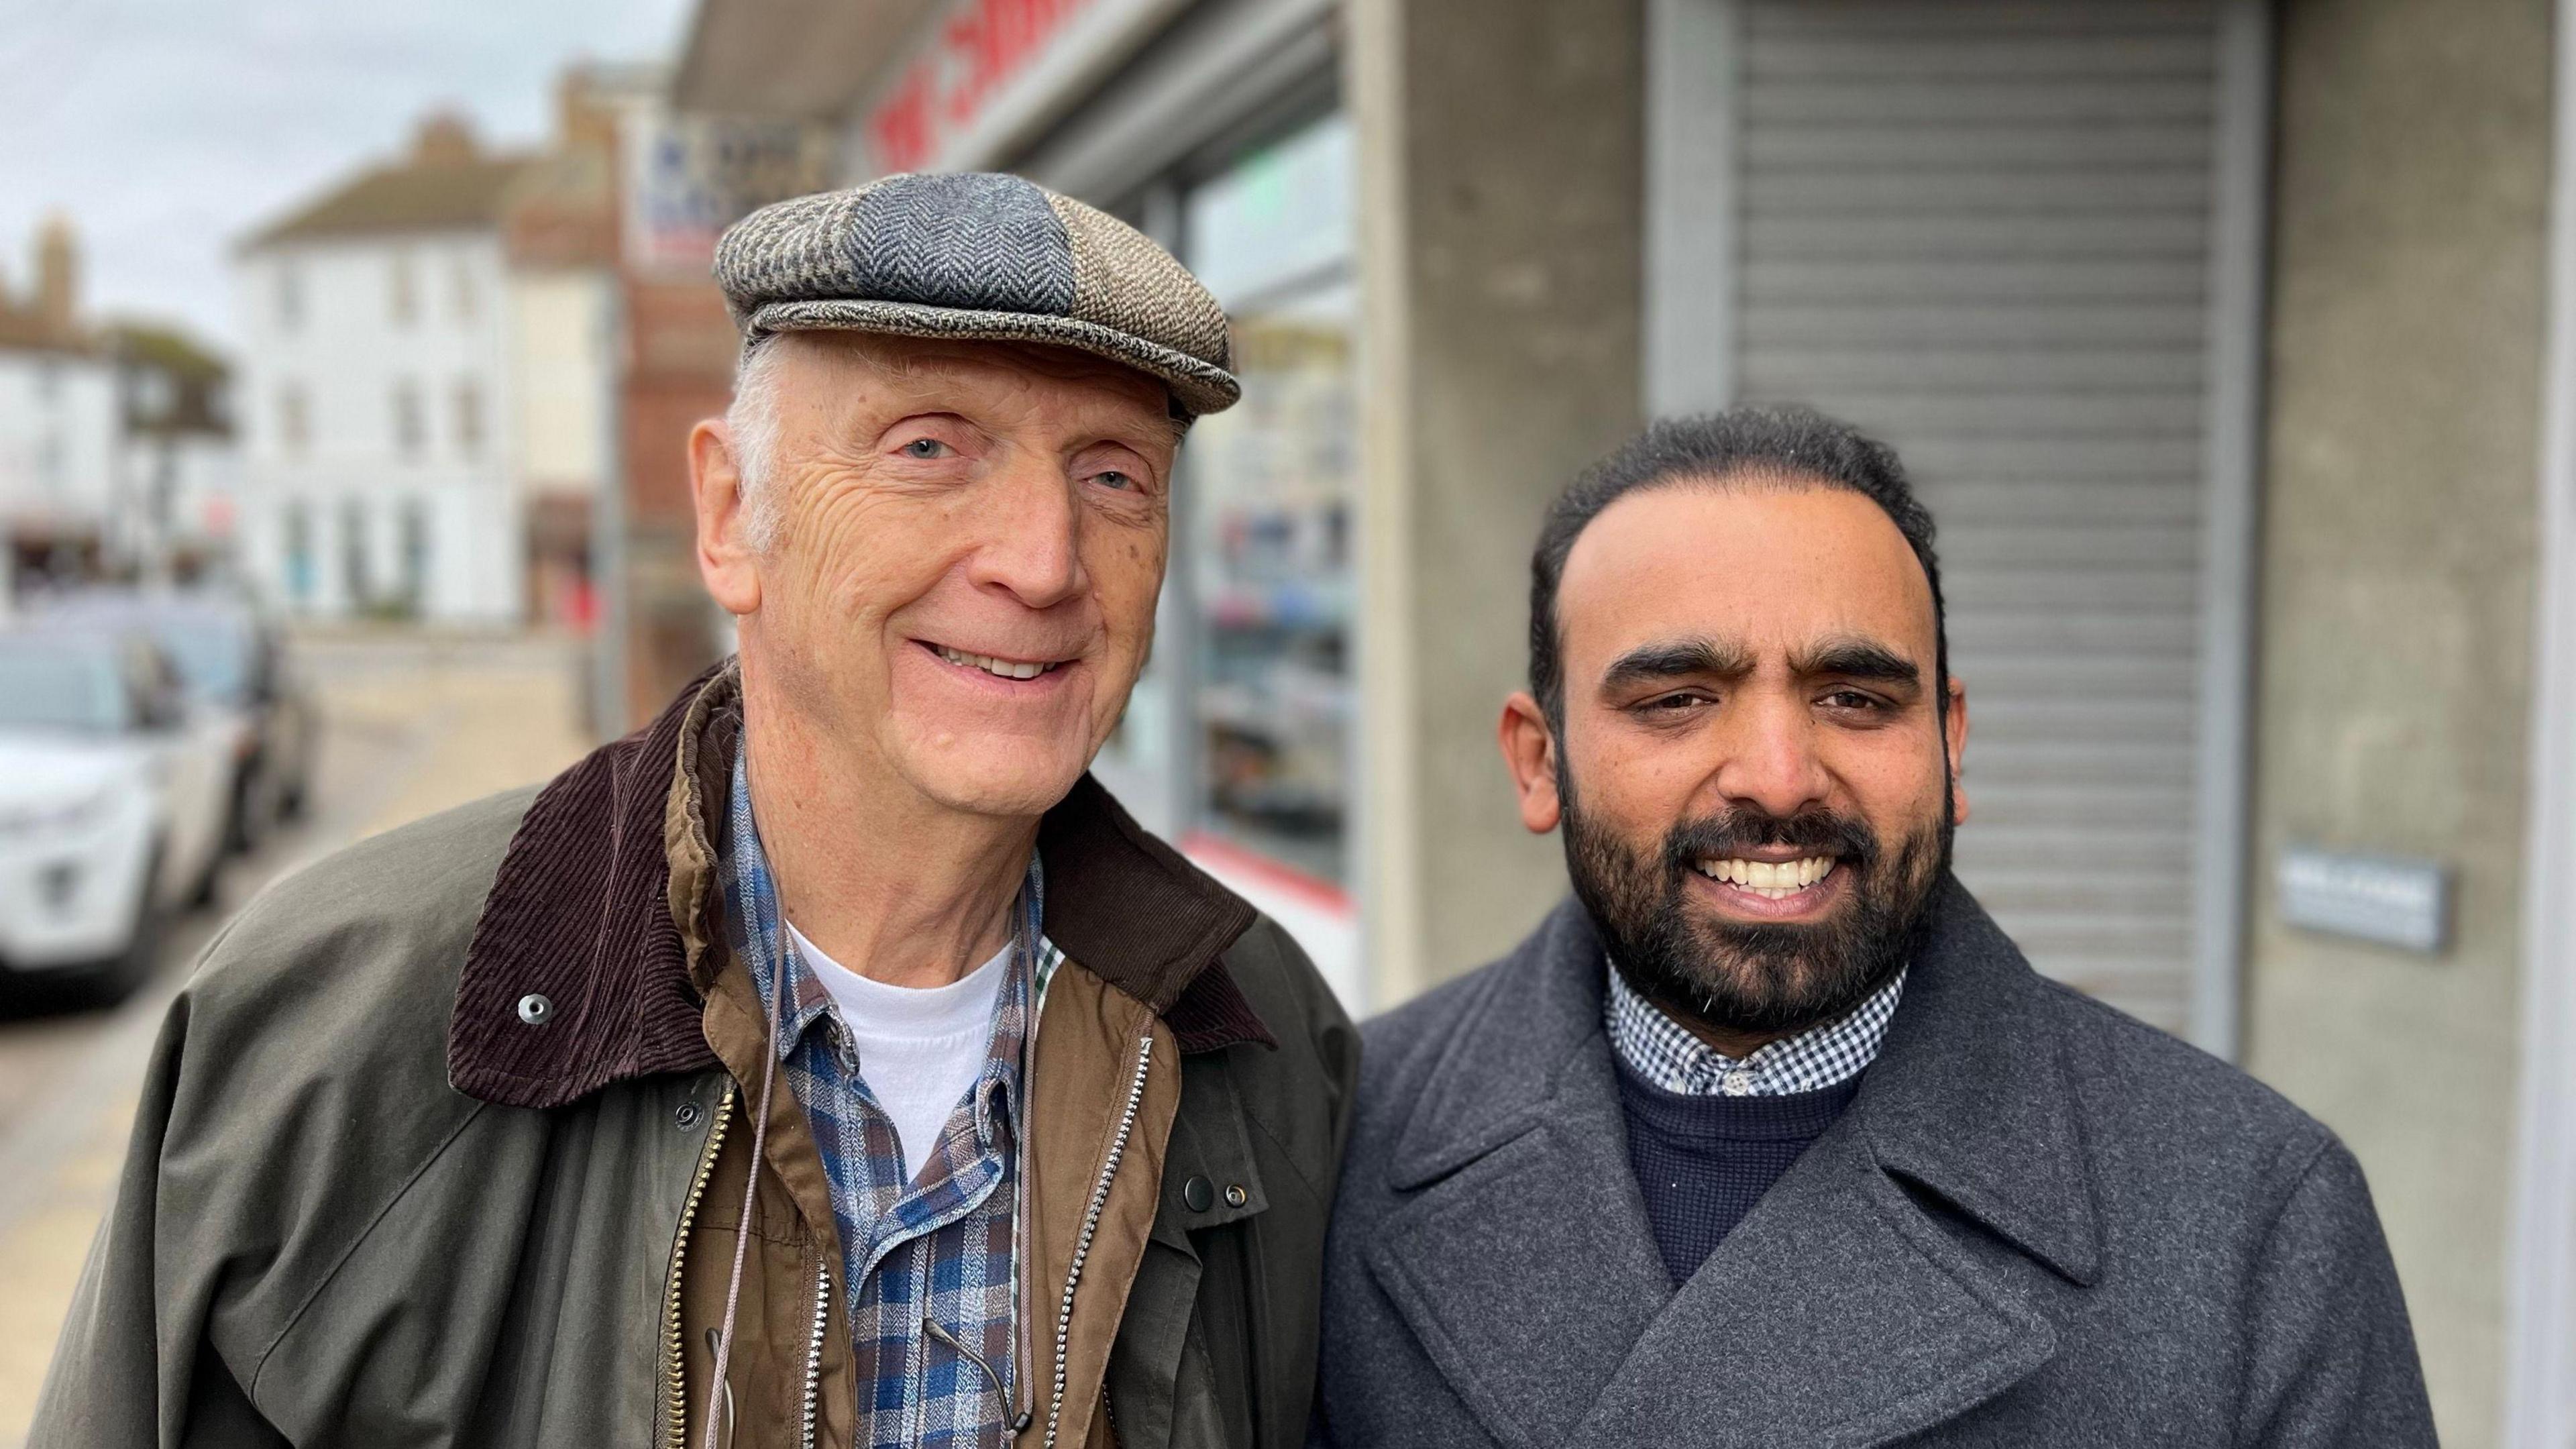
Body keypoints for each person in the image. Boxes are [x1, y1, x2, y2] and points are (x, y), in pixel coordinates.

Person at [35, 173, 1356, 1449]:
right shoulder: (330, 1029)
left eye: (1114, 475)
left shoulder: (1272, 1041)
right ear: (731, 516)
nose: (1042, 560)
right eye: (930, 448)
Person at [1314, 409, 2433, 1447]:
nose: (1779, 778)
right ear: (1539, 758)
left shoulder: (2254, 1215)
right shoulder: (1331, 1143)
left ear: (1949, 746)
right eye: (1676, 700)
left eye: (1855, 698)